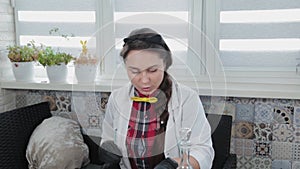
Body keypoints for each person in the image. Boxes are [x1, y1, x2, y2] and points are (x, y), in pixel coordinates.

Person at [101, 28, 214, 169]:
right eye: (134, 71)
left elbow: (204, 151)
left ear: (165, 64)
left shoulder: (187, 99)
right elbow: (108, 137)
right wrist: (107, 149)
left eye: (152, 70)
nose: (144, 80)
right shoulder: (117, 98)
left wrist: (174, 164)